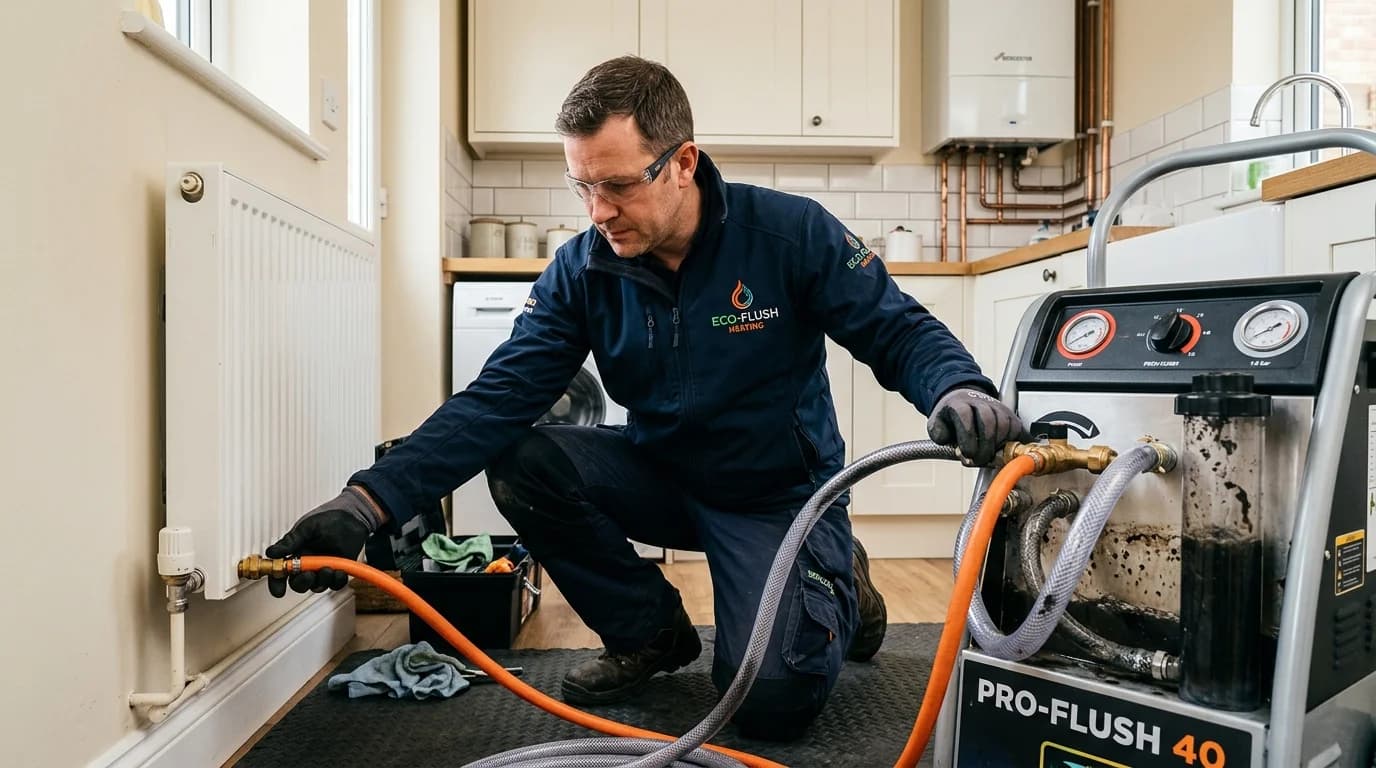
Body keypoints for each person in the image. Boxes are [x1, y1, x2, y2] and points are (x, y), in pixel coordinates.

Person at [263, 56, 1027, 740]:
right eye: (583, 186)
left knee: (769, 706)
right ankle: (649, 633)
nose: (598, 211)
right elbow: (495, 398)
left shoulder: (788, 235)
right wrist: (368, 503)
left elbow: (895, 329)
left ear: (682, 162)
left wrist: (958, 385)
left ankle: (842, 581)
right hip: (661, 472)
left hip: (777, 496)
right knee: (523, 457)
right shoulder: (583, 269)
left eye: (619, 185)